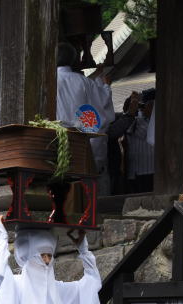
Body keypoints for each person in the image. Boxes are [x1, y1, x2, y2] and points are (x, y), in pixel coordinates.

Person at [55, 43, 115, 194]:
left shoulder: (47, 81)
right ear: (73, 60)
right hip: (83, 143)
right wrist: (106, 86)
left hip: (55, 141)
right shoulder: (84, 82)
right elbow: (101, 107)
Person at [125, 89, 154, 193]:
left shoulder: (153, 120)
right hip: (141, 172)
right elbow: (150, 134)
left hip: (152, 171)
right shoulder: (136, 121)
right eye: (150, 105)